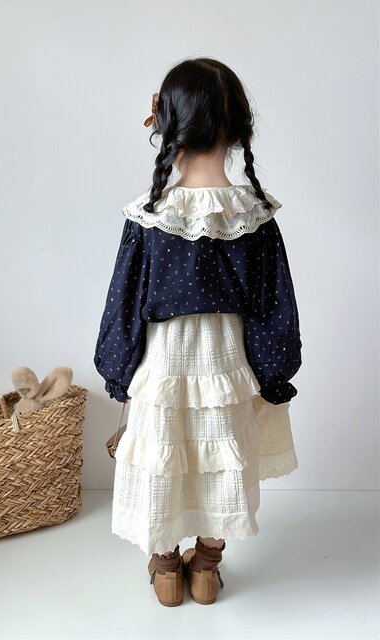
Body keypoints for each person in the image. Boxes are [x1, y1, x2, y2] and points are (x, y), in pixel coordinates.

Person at [93, 57, 302, 607]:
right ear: (238, 127)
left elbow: (123, 306)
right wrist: (273, 374)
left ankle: (166, 571)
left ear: (166, 124)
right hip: (226, 366)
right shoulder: (254, 216)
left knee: (163, 458)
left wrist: (119, 372)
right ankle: (206, 568)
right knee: (220, 458)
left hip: (162, 366)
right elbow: (274, 306)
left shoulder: (149, 216)